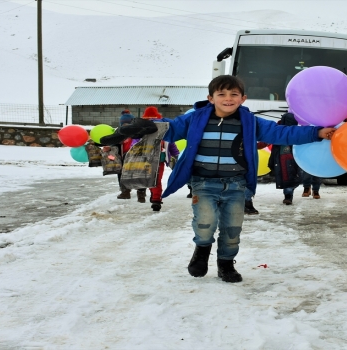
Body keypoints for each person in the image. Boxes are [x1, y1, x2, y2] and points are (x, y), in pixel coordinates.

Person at [117, 75, 336, 283]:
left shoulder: (250, 122)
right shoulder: (195, 118)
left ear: (243, 98)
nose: (228, 99)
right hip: (203, 183)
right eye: (221, 94)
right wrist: (145, 126)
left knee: (232, 229)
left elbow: (283, 133)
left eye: (234, 94)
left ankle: (226, 263)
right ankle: (202, 251)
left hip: (236, 184)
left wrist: (316, 133)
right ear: (210, 98)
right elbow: (171, 129)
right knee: (205, 222)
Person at [136, 106, 180, 211]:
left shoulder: (141, 128)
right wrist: (175, 154)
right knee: (156, 179)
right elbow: (170, 142)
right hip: (160, 158)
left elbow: (135, 142)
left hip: (145, 158)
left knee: (146, 177)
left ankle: (146, 193)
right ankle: (156, 199)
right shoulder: (164, 128)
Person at [105, 110, 146, 202]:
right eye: (123, 124)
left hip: (137, 156)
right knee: (122, 174)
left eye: (127, 123)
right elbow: (114, 141)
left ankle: (141, 193)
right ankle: (125, 191)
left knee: (139, 173)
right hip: (123, 155)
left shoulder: (138, 131)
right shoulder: (119, 131)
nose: (125, 125)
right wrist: (112, 147)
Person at [267, 113, 303, 205]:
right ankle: (288, 195)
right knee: (290, 177)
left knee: (288, 178)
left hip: (282, 157)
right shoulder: (296, 131)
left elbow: (268, 140)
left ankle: (288, 195)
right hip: (291, 158)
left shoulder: (278, 129)